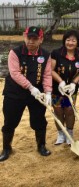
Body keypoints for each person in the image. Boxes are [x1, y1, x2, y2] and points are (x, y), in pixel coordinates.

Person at [0, 26, 52, 161]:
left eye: (35, 38)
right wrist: (30, 87)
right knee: (10, 121)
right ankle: (6, 148)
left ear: (41, 39)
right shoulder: (15, 52)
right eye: (29, 38)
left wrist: (48, 92)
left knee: (39, 120)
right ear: (24, 37)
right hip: (15, 93)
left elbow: (47, 75)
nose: (31, 41)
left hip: (37, 94)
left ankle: (41, 146)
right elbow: (15, 73)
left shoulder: (45, 55)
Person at [51, 30, 79, 145]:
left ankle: (69, 132)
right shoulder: (56, 53)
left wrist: (74, 83)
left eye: (73, 40)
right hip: (57, 89)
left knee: (69, 110)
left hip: (70, 90)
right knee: (58, 110)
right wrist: (60, 82)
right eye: (68, 40)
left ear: (78, 42)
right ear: (64, 41)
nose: (70, 43)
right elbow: (51, 70)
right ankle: (61, 133)